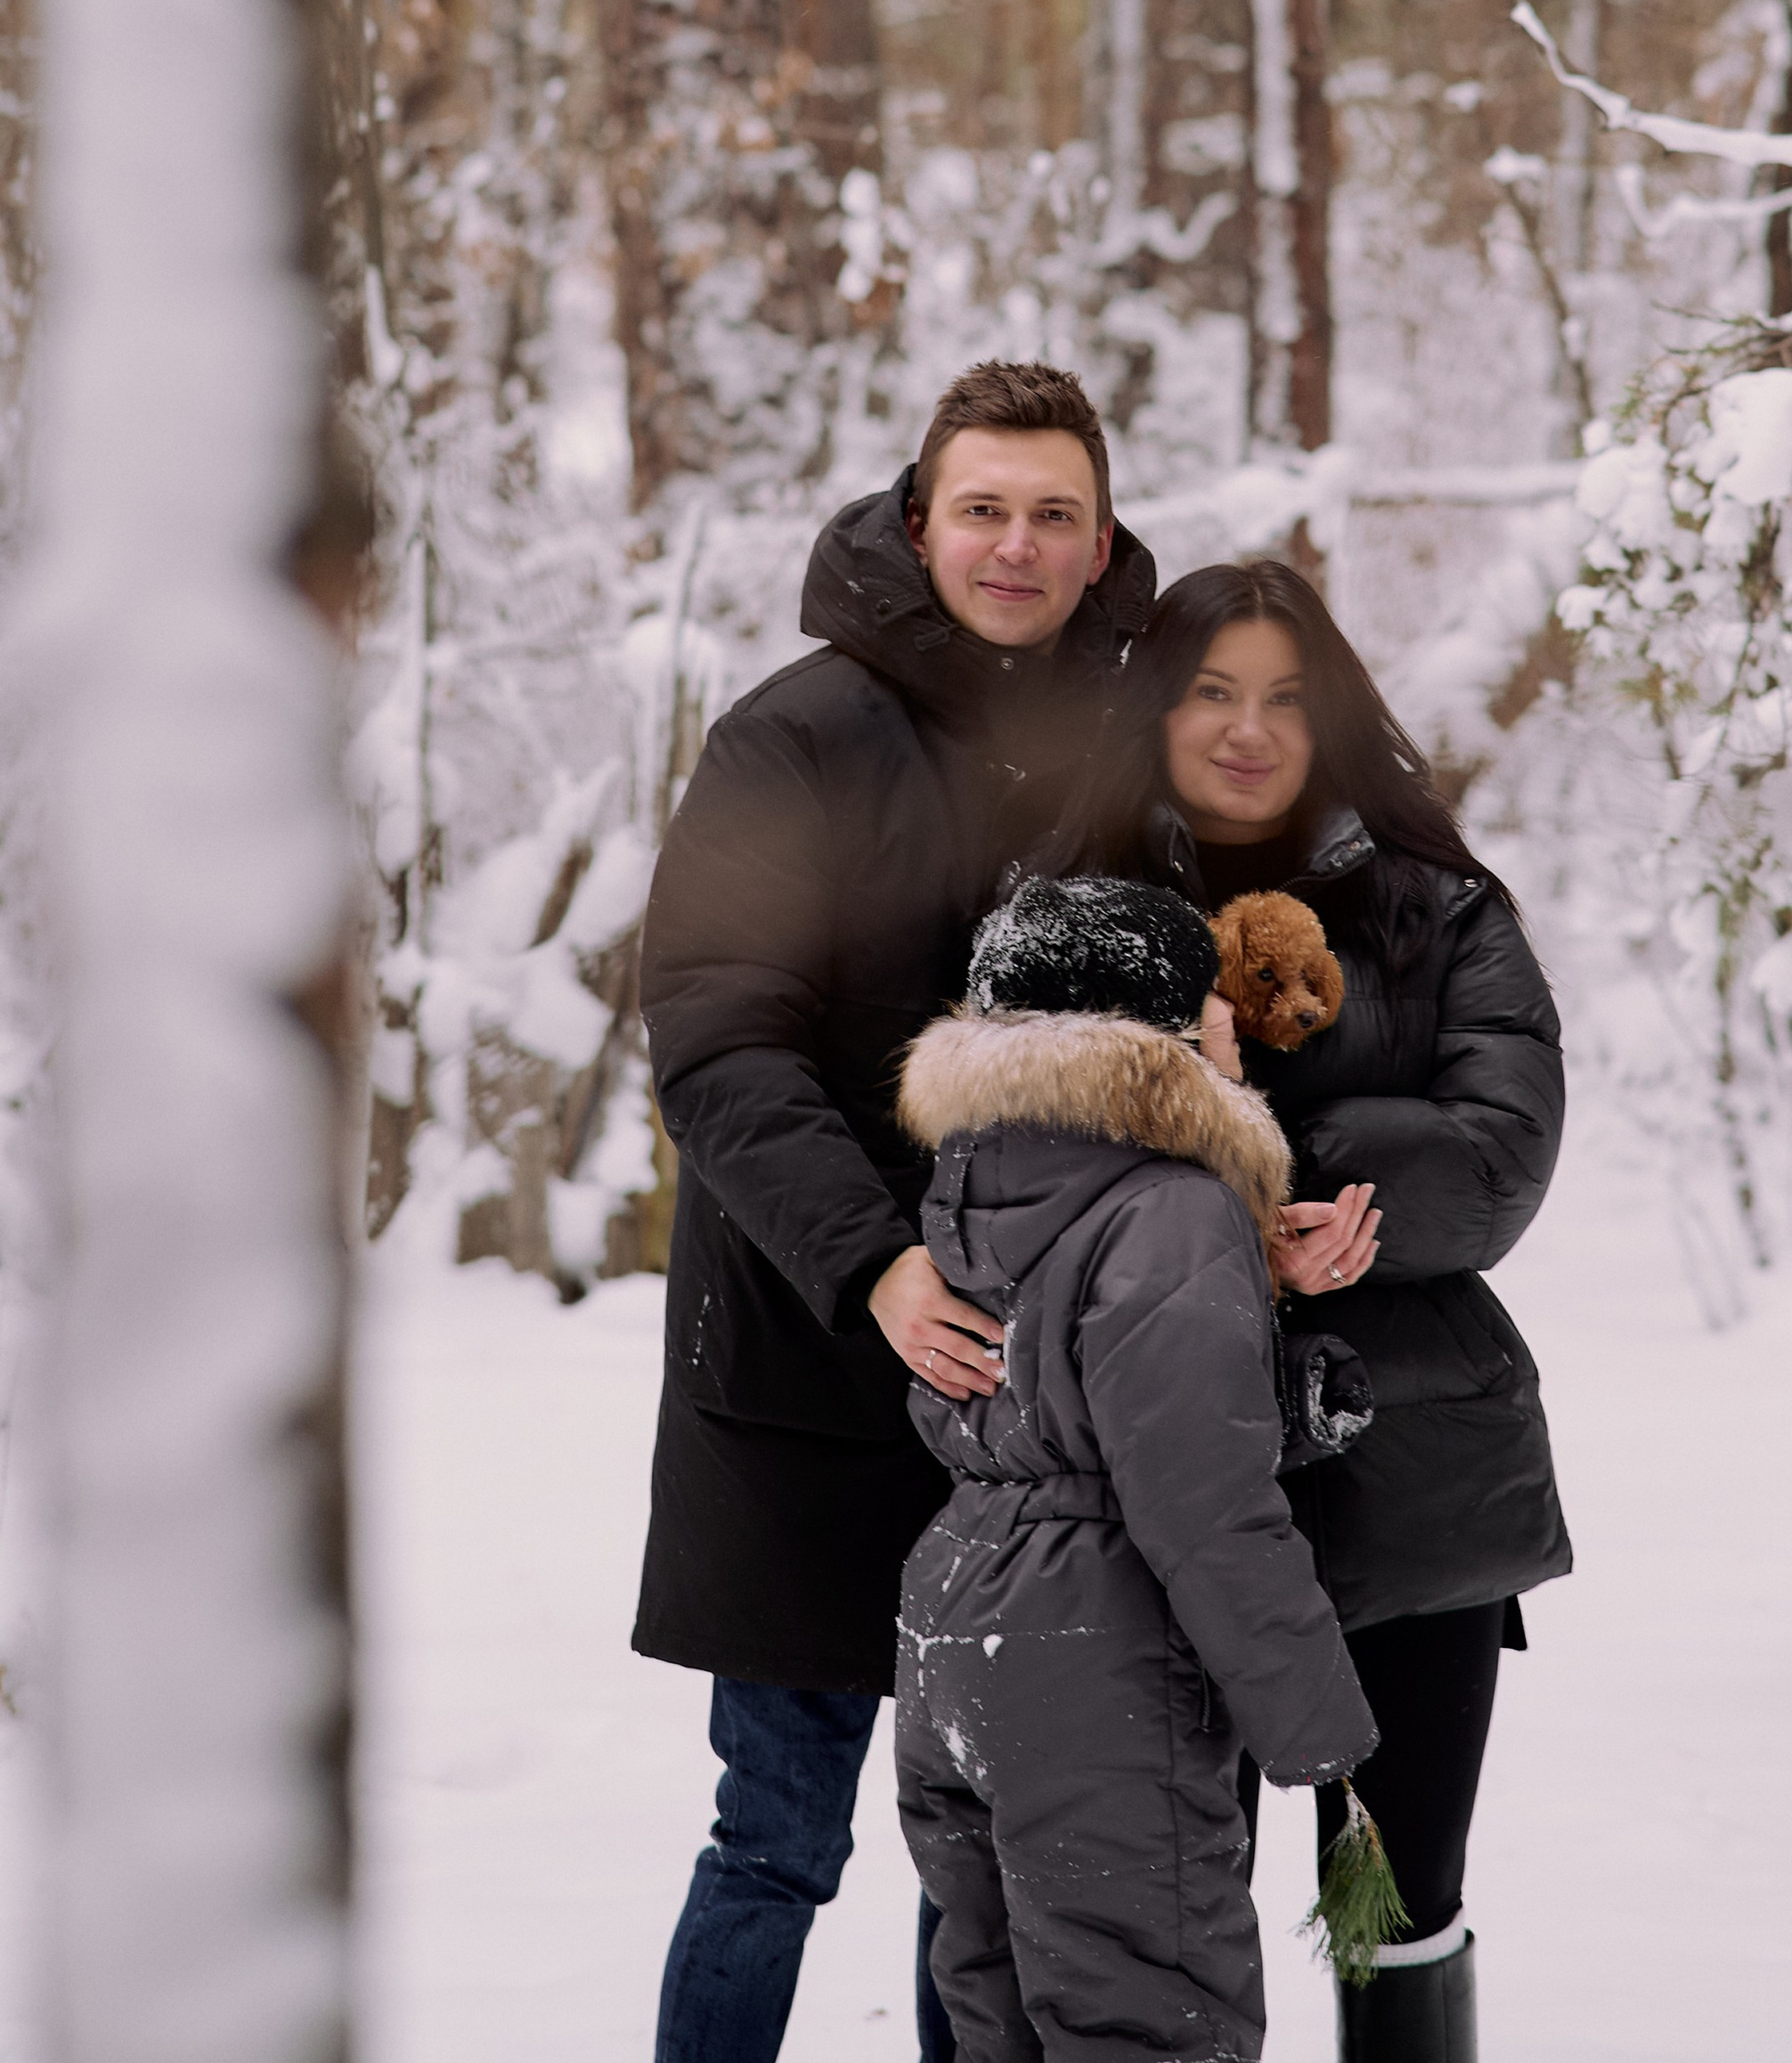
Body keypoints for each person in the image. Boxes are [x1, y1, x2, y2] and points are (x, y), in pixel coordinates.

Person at [633, 362, 1155, 2063]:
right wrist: (874, 1259)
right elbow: (716, 1037)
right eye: (984, 507)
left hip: (1028, 1400)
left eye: (1052, 514)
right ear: (920, 518)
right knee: (776, 1839)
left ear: (1098, 543)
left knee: (987, 1862)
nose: (1016, 544)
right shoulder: (794, 735)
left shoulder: (1133, 749)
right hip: (806, 1365)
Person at [1048, 556, 1570, 2063]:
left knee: (1398, 1902)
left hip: (1411, 1474)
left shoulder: (1439, 908)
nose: (1247, 728)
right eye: (1210, 690)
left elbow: (1500, 1159)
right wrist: (1225, 1218)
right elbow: (1012, 1167)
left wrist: (1299, 1171)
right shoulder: (1073, 914)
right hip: (1155, 1486)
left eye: (1286, 695)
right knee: (1163, 1913)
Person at [893, 871, 1380, 2062]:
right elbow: (1199, 1502)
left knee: (998, 2014)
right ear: (1161, 1026)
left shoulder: (976, 1180)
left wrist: (1277, 1394)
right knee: (1151, 2023)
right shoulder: (1171, 1203)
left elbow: (1049, 1406)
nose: (1238, 1030)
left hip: (959, 1636)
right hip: (1100, 1662)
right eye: (1215, 1004)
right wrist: (1319, 1725)